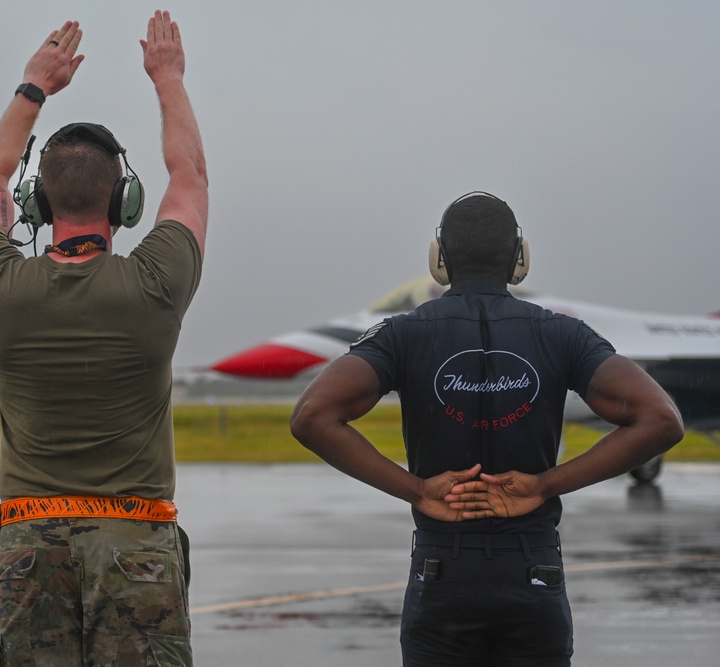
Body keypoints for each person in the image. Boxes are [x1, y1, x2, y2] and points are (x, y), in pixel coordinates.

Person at [289, 192, 683, 666]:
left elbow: (313, 415)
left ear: (439, 259)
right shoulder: (563, 333)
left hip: (442, 572)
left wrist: (416, 490)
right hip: (533, 569)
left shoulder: (403, 333)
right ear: (521, 259)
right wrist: (545, 485)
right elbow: (660, 419)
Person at [0, 11, 207, 667]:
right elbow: (191, 178)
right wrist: (168, 77)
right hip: (137, 545)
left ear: (33, 205)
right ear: (125, 201)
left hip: (27, 543)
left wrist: (33, 85)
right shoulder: (155, 284)